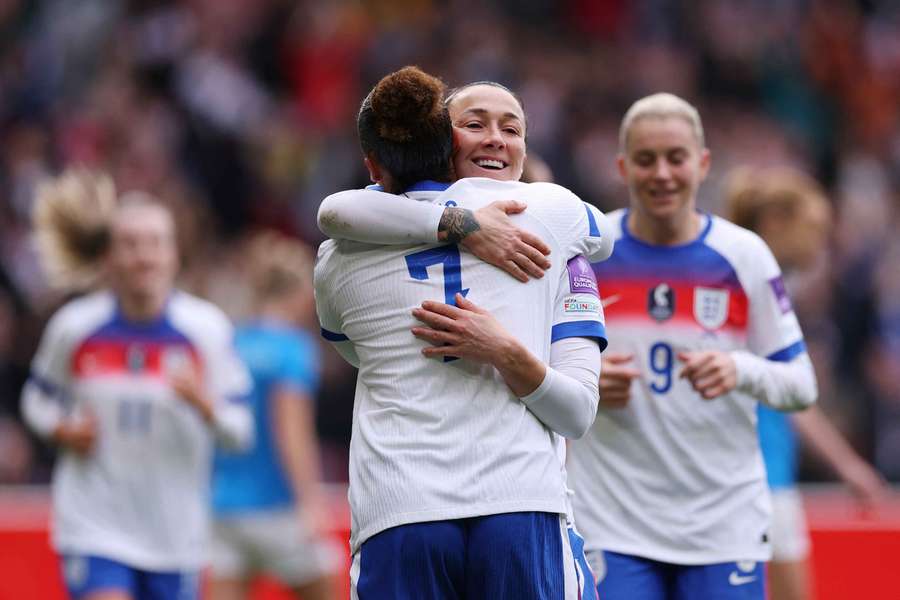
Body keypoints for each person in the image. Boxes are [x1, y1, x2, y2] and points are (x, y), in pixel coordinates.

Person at [314, 66, 609, 598]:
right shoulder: (550, 216)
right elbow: (604, 233)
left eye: (513, 128)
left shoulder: (338, 256)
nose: (496, 138)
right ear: (440, 139)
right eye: (474, 124)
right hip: (518, 501)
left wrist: (504, 350)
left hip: (399, 506)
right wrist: (460, 224)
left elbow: (334, 223)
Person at [564, 93, 818, 600]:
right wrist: (585, 379)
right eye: (645, 159)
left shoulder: (743, 256)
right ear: (622, 166)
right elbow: (542, 368)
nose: (662, 173)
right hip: (614, 524)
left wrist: (739, 370)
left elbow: (801, 386)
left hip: (723, 528)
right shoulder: (587, 251)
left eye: (675, 158)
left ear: (702, 164)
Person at [21, 169, 252, 600]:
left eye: (154, 243)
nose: (143, 256)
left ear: (174, 254)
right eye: (129, 245)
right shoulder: (75, 328)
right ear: (109, 257)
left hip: (176, 537)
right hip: (94, 528)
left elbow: (240, 432)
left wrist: (205, 406)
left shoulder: (207, 331)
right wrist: (59, 428)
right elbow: (37, 398)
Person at [724, 166, 888, 600]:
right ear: (777, 225)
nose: (821, 243)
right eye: (814, 228)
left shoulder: (760, 291)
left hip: (763, 468)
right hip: (753, 472)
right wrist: (848, 465)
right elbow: (796, 401)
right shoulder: (744, 292)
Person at [208, 231, 342, 600]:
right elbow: (291, 432)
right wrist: (311, 503)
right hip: (278, 506)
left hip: (223, 506)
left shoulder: (232, 342)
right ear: (299, 292)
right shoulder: (293, 350)